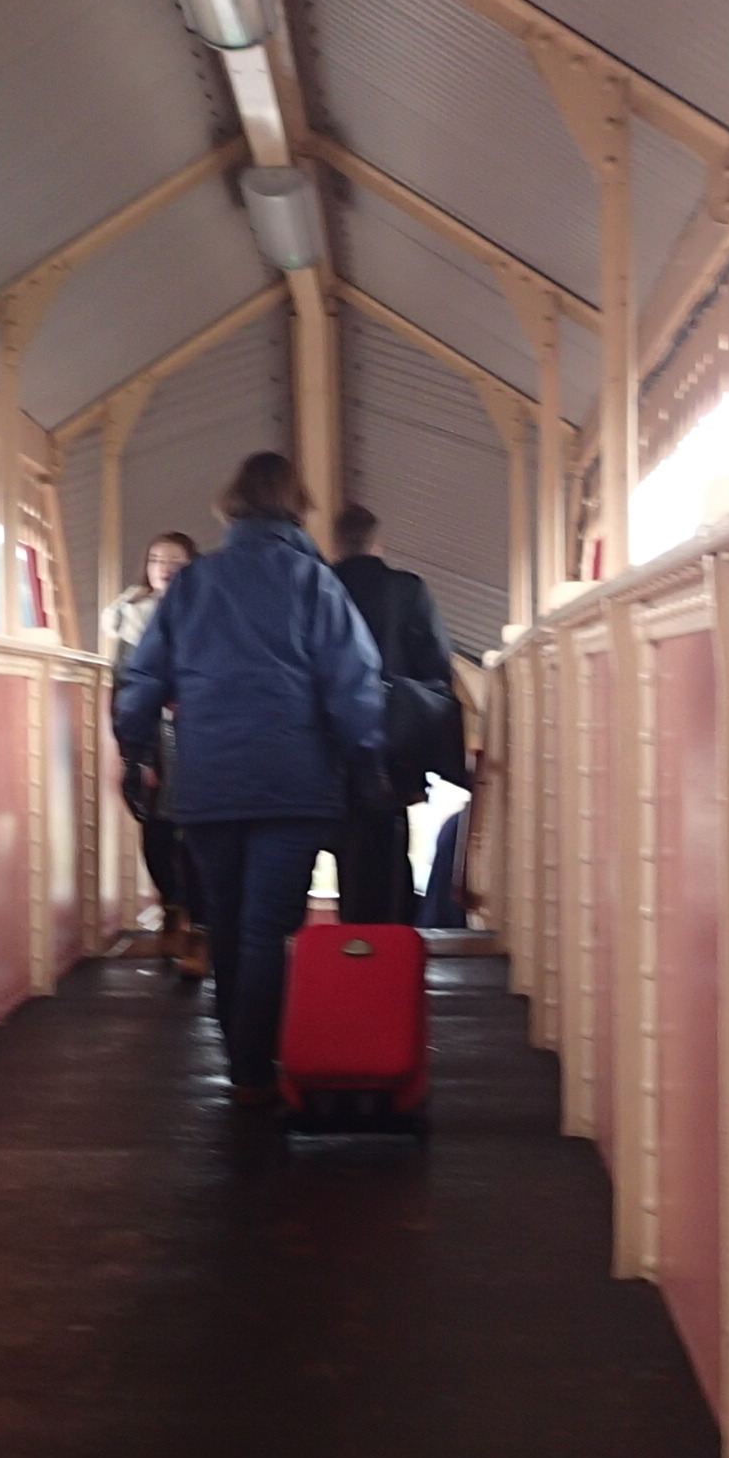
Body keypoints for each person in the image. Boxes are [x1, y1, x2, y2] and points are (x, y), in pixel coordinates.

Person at [114, 453, 385, 1104]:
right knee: (266, 926)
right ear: (297, 506)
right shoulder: (315, 583)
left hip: (209, 780)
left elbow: (143, 677)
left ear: (231, 505)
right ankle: (254, 1067)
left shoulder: (193, 584)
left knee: (228, 921)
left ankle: (241, 1054)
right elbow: (353, 682)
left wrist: (134, 751)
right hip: (294, 781)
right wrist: (367, 760)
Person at [327, 504, 464, 924]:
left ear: (335, 545)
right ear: (378, 545)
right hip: (391, 751)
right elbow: (435, 672)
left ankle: (332, 947)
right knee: (385, 855)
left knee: (329, 850)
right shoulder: (407, 590)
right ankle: (386, 944)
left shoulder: (319, 587)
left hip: (327, 747)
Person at [100, 531, 209, 977]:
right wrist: (133, 748)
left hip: (198, 735)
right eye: (157, 559)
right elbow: (123, 685)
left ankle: (198, 931)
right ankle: (171, 908)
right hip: (150, 737)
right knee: (156, 830)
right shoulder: (130, 615)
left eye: (176, 561)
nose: (164, 568)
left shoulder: (207, 610)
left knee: (196, 834)